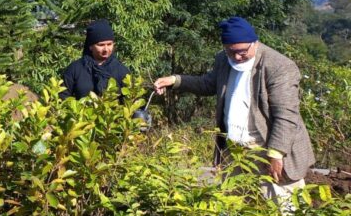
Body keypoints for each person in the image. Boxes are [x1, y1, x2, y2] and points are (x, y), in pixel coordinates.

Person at [153, 16, 316, 203]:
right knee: (237, 210)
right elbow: (207, 84)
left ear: (254, 43)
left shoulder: (278, 66)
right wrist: (174, 80)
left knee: (283, 210)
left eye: (242, 52)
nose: (237, 57)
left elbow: (285, 116)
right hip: (235, 151)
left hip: (268, 149)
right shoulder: (224, 60)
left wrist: (276, 154)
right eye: (231, 52)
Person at [61, 19, 130, 99]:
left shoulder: (121, 71)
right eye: (101, 45)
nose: (106, 49)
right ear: (90, 46)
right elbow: (62, 97)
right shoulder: (75, 69)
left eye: (109, 44)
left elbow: (131, 101)